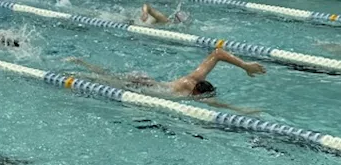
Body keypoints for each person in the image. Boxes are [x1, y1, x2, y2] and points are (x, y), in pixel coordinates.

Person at [65, 48, 266, 113]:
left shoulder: (193, 78)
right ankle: (78, 71)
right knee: (99, 80)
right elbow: (218, 104)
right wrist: (242, 111)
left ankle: (80, 62)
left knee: (107, 75)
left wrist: (245, 66)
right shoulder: (189, 94)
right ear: (198, 93)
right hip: (142, 85)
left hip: (145, 79)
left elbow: (218, 52)